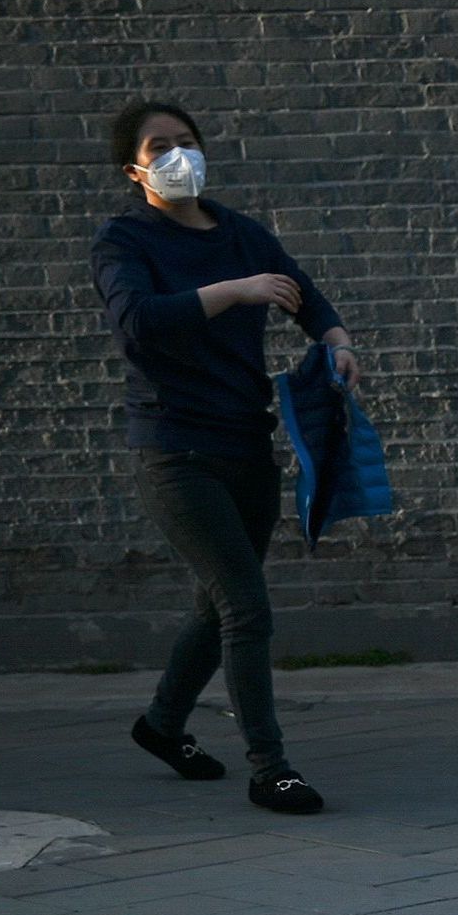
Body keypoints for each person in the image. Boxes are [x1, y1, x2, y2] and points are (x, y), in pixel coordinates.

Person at [90, 99, 351, 814]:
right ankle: (271, 768)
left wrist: (335, 339)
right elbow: (139, 323)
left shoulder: (240, 233)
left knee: (217, 604)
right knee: (246, 606)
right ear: (133, 169)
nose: (178, 156)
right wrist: (232, 292)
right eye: (159, 147)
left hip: (247, 445)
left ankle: (163, 723)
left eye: (187, 141)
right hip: (176, 453)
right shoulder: (124, 242)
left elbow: (304, 295)